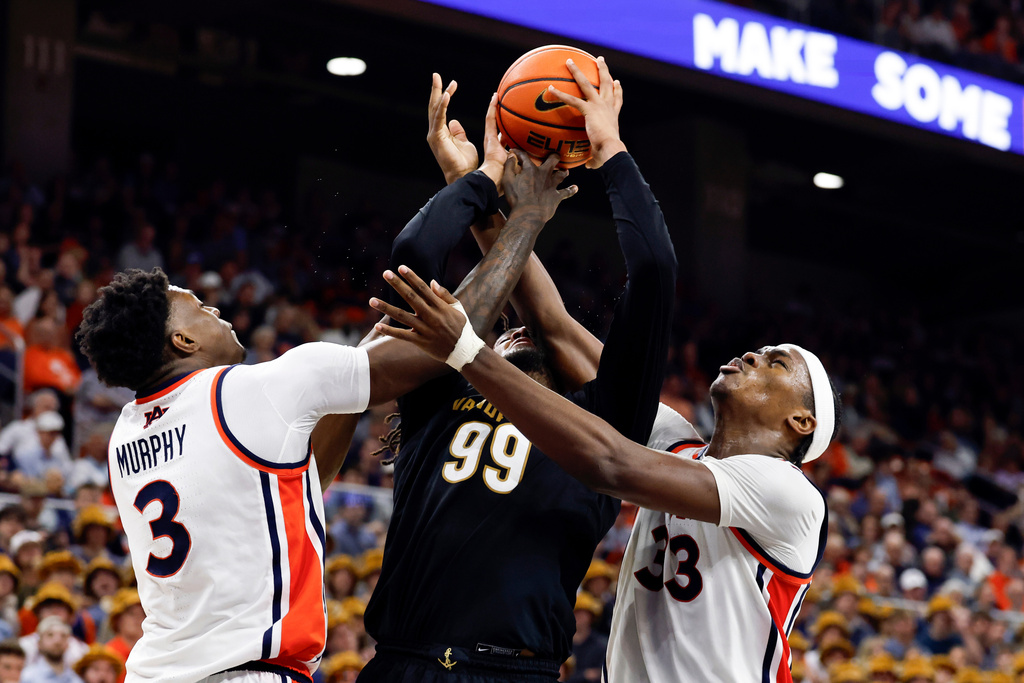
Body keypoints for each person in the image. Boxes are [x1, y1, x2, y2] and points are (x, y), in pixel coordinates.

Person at [74, 118, 577, 683]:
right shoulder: (250, 391)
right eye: (196, 306)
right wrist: (524, 220)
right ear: (182, 341)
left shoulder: (128, 432)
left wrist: (473, 178)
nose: (213, 309)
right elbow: (444, 345)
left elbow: (304, 475)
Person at [357, 58, 675, 682]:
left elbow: (655, 271)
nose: (522, 326)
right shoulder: (443, 389)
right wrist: (479, 178)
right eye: (505, 329)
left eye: (541, 336)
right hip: (399, 664)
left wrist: (608, 146)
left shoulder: (604, 421)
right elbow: (414, 257)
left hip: (514, 671)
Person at [20, 616, 82, 683]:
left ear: (68, 644)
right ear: (39, 643)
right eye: (50, 635)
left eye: (63, 636)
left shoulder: (75, 679)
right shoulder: (27, 677)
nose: (57, 641)